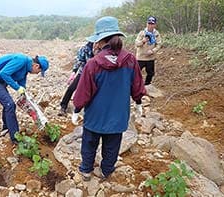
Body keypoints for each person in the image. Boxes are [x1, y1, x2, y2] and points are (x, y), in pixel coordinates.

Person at [73, 16, 146, 181]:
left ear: (99, 41)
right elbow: (137, 87)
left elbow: (83, 92)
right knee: (112, 146)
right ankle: (106, 170)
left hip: (95, 116)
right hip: (118, 115)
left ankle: (86, 170)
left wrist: (76, 109)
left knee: (89, 143)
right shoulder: (130, 60)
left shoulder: (93, 64)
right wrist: (138, 102)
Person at [0, 53, 49, 144]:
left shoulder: (26, 68)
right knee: (10, 104)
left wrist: (24, 93)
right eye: (38, 72)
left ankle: (6, 127)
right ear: (36, 66)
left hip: (0, 80)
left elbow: (22, 81)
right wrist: (17, 88)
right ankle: (15, 138)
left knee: (8, 103)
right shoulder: (21, 60)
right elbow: (4, 73)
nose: (37, 74)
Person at [134, 16, 162, 115]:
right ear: (147, 24)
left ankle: (146, 86)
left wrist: (153, 50)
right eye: (149, 23)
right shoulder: (142, 33)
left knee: (150, 73)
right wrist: (143, 41)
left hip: (150, 57)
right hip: (140, 57)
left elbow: (159, 44)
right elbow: (136, 43)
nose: (150, 25)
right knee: (136, 73)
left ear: (155, 24)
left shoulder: (156, 34)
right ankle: (136, 88)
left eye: (152, 23)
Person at [58, 42, 94, 116]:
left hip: (95, 74)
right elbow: (79, 61)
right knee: (71, 88)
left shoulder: (101, 50)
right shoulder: (85, 49)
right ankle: (63, 106)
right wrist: (74, 72)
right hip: (83, 73)